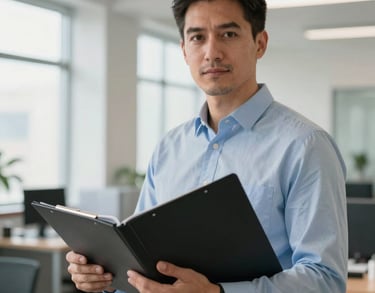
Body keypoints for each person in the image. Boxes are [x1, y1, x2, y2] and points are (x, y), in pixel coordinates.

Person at [66, 0, 348, 292]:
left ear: (259, 43)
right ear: (184, 50)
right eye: (198, 37)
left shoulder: (307, 146)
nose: (212, 53)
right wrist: (106, 276)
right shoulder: (169, 149)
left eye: (228, 34)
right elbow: (142, 263)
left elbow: (324, 279)